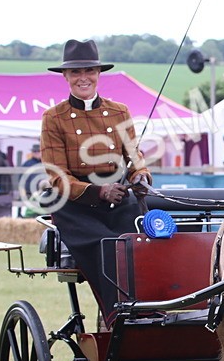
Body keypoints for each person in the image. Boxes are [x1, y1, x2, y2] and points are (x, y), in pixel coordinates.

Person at [40, 38, 151, 324]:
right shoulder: (54, 118)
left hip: (119, 195)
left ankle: (149, 307)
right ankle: (116, 312)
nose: (83, 78)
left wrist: (140, 176)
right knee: (108, 245)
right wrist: (98, 192)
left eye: (89, 71)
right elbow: (56, 174)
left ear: (99, 74)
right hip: (75, 202)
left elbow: (134, 155)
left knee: (138, 243)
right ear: (65, 76)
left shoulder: (119, 111)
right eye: (76, 72)